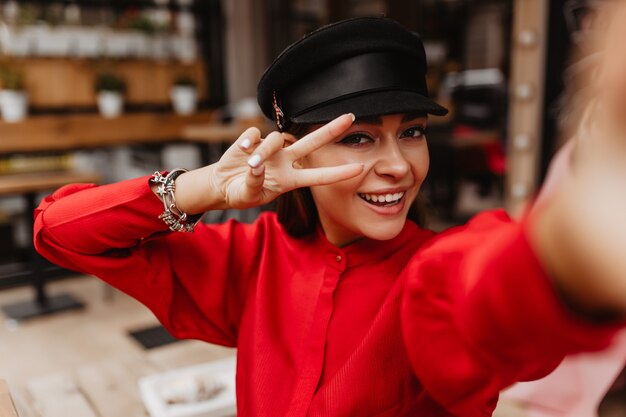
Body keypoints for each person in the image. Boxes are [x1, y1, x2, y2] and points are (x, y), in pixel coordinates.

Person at [34, 16, 626, 417]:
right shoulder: (253, 257)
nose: (398, 165)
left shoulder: (430, 273)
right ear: (296, 149)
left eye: (411, 133)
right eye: (361, 139)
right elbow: (59, 232)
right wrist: (202, 187)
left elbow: (493, 295)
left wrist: (567, 243)